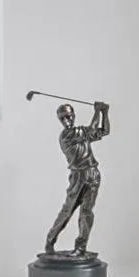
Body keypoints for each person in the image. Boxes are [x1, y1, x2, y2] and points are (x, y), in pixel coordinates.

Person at [41, 100, 109, 258]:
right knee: (67, 211)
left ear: (74, 116)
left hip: (93, 174)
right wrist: (97, 111)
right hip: (78, 176)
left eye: (69, 116)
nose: (67, 121)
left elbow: (104, 131)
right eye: (63, 118)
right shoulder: (66, 135)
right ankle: (50, 240)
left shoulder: (82, 133)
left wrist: (105, 113)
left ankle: (81, 247)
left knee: (86, 213)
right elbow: (92, 129)